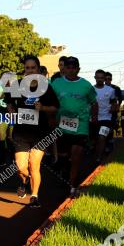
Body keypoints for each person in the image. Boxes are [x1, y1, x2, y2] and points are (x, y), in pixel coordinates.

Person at [6, 55, 59, 207]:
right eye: (27, 68)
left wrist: (43, 108)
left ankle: (34, 196)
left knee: (34, 165)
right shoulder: (18, 85)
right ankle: (24, 180)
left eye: (33, 68)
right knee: (21, 167)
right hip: (21, 131)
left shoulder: (46, 87)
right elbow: (9, 102)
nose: (30, 71)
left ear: (38, 69)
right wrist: (11, 111)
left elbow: (55, 107)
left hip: (40, 132)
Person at [51, 57, 97, 198]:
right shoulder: (56, 83)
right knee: (64, 157)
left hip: (80, 126)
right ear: (64, 69)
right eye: (68, 67)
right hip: (61, 127)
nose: (71, 70)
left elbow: (94, 103)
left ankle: (73, 185)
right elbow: (49, 100)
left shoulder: (86, 85)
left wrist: (94, 119)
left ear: (78, 69)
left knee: (76, 157)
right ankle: (66, 171)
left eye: (73, 67)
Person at [92, 69, 118, 164]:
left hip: (106, 119)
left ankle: (99, 158)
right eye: (97, 78)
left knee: (102, 137)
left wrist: (113, 108)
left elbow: (114, 102)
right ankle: (96, 154)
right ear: (95, 78)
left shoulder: (111, 90)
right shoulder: (91, 90)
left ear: (104, 79)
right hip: (93, 119)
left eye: (101, 78)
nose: (99, 79)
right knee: (95, 139)